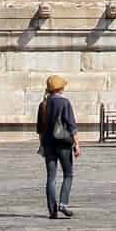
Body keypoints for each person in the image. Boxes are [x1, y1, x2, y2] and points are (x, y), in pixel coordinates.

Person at [36, 74, 80, 219]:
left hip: (48, 145)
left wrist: (42, 145)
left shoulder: (43, 104)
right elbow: (71, 125)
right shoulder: (64, 103)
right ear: (60, 88)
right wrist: (77, 144)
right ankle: (63, 203)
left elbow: (40, 130)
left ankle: (52, 210)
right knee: (68, 174)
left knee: (51, 177)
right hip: (63, 143)